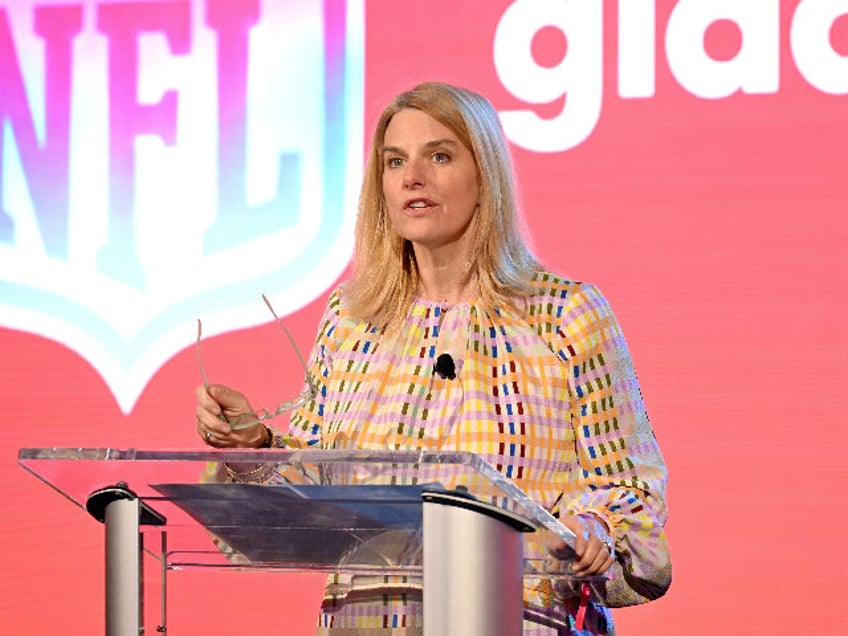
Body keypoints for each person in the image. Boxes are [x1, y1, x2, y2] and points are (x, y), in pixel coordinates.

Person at [195, 82, 671, 635]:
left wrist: (593, 528)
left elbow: (631, 491)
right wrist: (253, 448)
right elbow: (310, 489)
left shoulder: (564, 315)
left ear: (484, 177)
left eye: (438, 156)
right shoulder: (352, 321)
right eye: (395, 161)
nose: (411, 178)